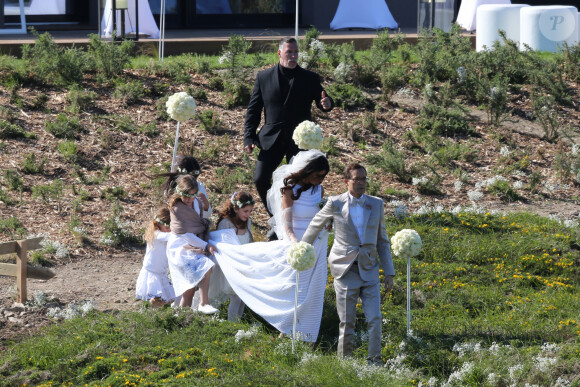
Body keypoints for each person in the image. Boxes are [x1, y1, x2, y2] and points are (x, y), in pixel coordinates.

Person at [208, 150, 330, 342]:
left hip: (317, 243)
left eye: (323, 176)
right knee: (293, 288)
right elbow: (286, 222)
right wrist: (294, 244)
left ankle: (308, 333)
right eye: (317, 175)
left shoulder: (319, 190)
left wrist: (328, 224)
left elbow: (321, 216)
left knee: (313, 290)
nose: (320, 180)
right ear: (307, 171)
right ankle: (285, 327)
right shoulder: (289, 189)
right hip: (296, 243)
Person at [301, 163, 395, 365]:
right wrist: (301, 250)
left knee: (375, 319)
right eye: (357, 179)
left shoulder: (377, 204)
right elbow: (315, 225)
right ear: (346, 182)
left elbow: (382, 240)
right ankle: (346, 364)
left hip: (369, 269)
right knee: (347, 322)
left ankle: (375, 361)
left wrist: (389, 272)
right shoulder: (335, 203)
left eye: (364, 179)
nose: (361, 183)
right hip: (344, 269)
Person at [244, 36, 334, 215]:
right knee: (260, 179)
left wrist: (327, 103)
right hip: (272, 138)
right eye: (289, 52)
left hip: (299, 141)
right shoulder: (264, 77)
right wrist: (249, 136)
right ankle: (276, 217)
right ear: (279, 53)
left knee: (302, 181)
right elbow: (253, 109)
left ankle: (298, 215)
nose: (293, 56)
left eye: (296, 52)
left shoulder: (310, 78)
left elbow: (323, 100)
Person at [166, 175, 219, 313]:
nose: (189, 200)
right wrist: (206, 245)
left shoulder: (196, 202)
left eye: (192, 196)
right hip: (180, 247)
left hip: (194, 242)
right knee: (205, 265)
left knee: (189, 290)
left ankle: (180, 320)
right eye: (186, 196)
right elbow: (185, 233)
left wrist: (206, 205)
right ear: (179, 193)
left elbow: (202, 217)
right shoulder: (177, 209)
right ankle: (203, 303)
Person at [214, 191, 255, 322]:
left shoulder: (247, 222)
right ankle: (233, 324)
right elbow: (223, 246)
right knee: (236, 296)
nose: (248, 214)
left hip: (244, 263)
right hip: (231, 265)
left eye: (250, 211)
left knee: (243, 296)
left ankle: (238, 320)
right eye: (245, 211)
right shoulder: (226, 224)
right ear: (236, 208)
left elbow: (250, 242)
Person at [135, 206, 175, 307]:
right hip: (152, 272)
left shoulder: (166, 234)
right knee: (156, 298)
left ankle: (159, 313)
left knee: (168, 298)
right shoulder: (156, 234)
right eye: (167, 228)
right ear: (158, 224)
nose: (169, 230)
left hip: (162, 272)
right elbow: (170, 236)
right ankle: (153, 313)